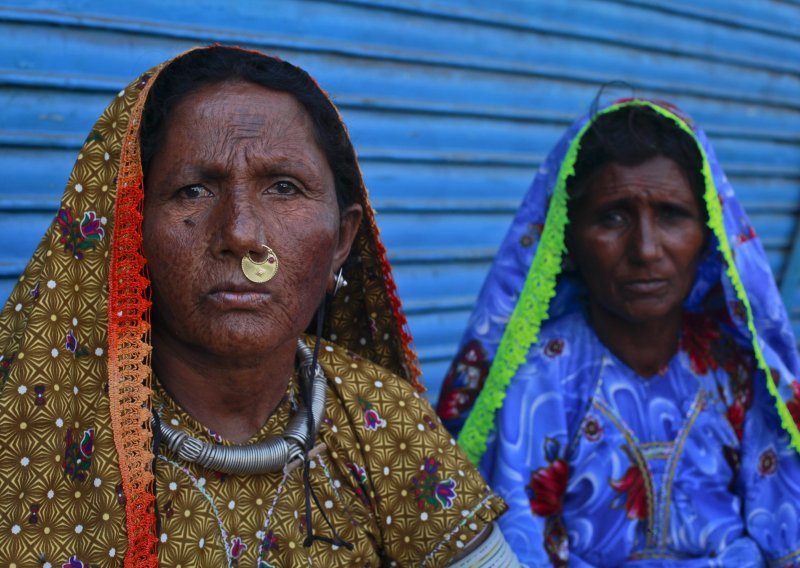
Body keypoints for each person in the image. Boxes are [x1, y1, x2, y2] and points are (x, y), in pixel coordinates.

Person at [0, 45, 514, 567]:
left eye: (284, 187)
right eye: (193, 190)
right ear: (129, 230)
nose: (242, 234)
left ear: (342, 237)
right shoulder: (40, 430)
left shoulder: (380, 415)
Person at [437, 98, 800, 565]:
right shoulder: (538, 376)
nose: (646, 249)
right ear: (566, 239)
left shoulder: (738, 370)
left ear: (709, 235)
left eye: (672, 214)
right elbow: (524, 545)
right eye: (613, 216)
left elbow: (784, 533)